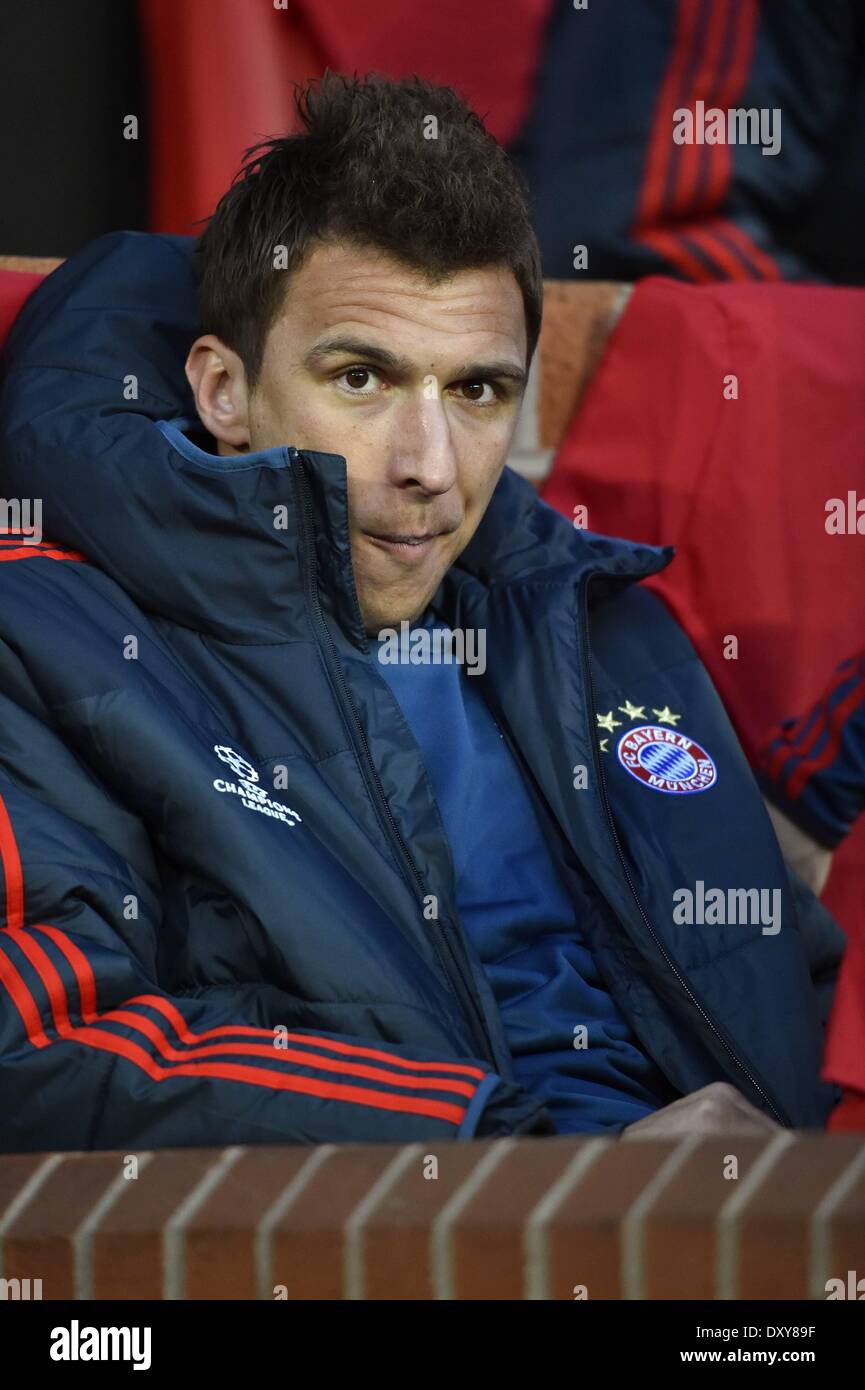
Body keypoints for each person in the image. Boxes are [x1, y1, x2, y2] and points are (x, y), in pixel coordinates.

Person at [0, 74, 843, 1154]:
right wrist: (512, 1157)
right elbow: (44, 1048)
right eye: (361, 378)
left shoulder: (594, 620)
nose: (430, 468)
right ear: (220, 389)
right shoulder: (49, 640)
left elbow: (795, 977)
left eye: (478, 391)